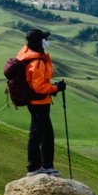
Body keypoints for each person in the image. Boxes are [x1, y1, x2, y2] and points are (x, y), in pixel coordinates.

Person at [17, 28, 66, 176]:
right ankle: (34, 168)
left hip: (38, 102)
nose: (47, 42)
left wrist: (53, 88)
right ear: (39, 42)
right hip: (38, 103)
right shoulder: (37, 62)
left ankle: (46, 166)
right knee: (37, 134)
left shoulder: (29, 55)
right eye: (44, 39)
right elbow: (38, 87)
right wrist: (55, 88)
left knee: (46, 135)